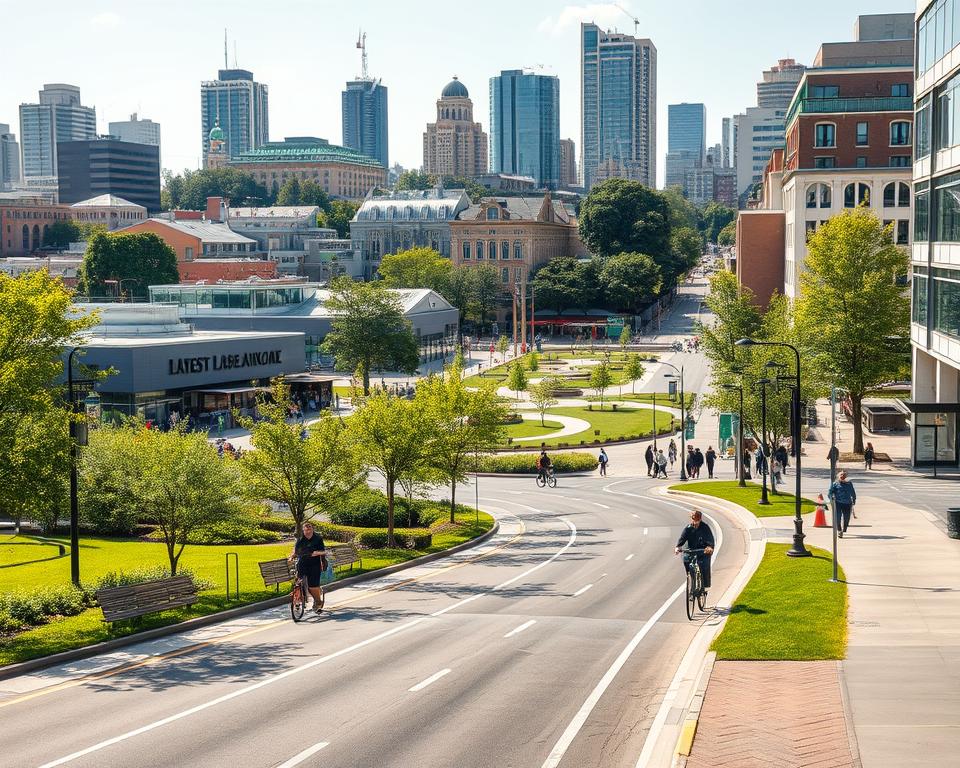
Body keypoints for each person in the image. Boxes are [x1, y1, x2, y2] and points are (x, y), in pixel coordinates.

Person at [288, 522, 328, 614]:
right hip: (302, 564)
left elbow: (324, 552)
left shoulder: (318, 539)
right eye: (306, 530)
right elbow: (296, 550)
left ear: (312, 529)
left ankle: (318, 602)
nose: (308, 531)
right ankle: (298, 600)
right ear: (303, 530)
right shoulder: (301, 539)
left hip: (314, 565)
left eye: (310, 529)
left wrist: (316, 553)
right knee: (298, 581)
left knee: (312, 586)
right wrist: (291, 557)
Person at [675, 510, 715, 592]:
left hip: (703, 550)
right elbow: (682, 538)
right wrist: (678, 547)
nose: (695, 521)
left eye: (697, 519)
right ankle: (690, 576)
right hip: (691, 550)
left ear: (700, 519)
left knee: (704, 565)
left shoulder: (705, 527)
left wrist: (710, 547)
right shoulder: (688, 528)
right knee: (686, 560)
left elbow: (710, 539)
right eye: (693, 519)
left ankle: (704, 585)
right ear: (691, 519)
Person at [828, 470, 857, 538]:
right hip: (838, 503)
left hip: (847, 503)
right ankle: (839, 530)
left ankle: (844, 528)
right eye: (841, 475)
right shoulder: (835, 484)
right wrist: (831, 498)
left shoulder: (849, 484)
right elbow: (830, 492)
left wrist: (854, 499)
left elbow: (852, 492)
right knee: (838, 517)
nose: (842, 476)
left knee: (846, 518)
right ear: (838, 476)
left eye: (844, 475)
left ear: (846, 476)